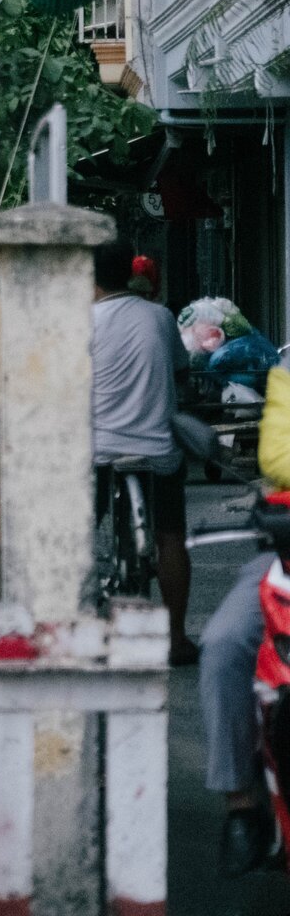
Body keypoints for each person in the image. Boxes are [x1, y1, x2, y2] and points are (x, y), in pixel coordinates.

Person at [200, 353, 290, 875]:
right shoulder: (286, 375)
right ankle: (242, 803)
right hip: (283, 550)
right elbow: (278, 457)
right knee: (226, 644)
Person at [92, 238, 194, 665]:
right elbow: (182, 373)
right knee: (170, 536)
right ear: (130, 273)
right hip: (158, 450)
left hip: (99, 451)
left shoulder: (80, 322)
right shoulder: (160, 316)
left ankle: (75, 626)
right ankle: (174, 638)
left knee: (76, 532)